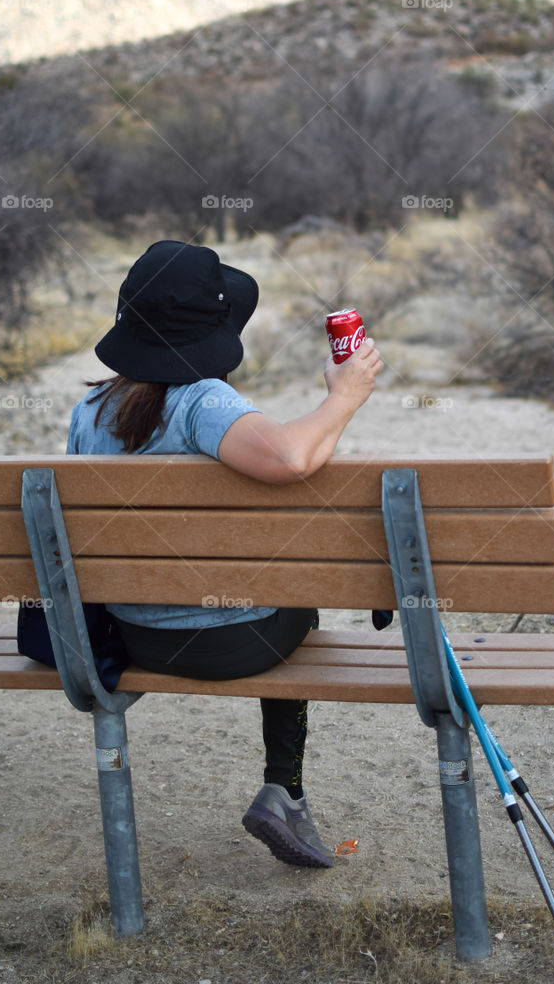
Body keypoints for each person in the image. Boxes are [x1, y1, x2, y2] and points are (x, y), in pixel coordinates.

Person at [68, 239, 382, 868]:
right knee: (298, 591)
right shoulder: (203, 404)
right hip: (229, 646)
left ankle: (285, 793)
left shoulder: (90, 410)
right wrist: (345, 396)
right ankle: (285, 790)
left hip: (131, 638)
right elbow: (291, 457)